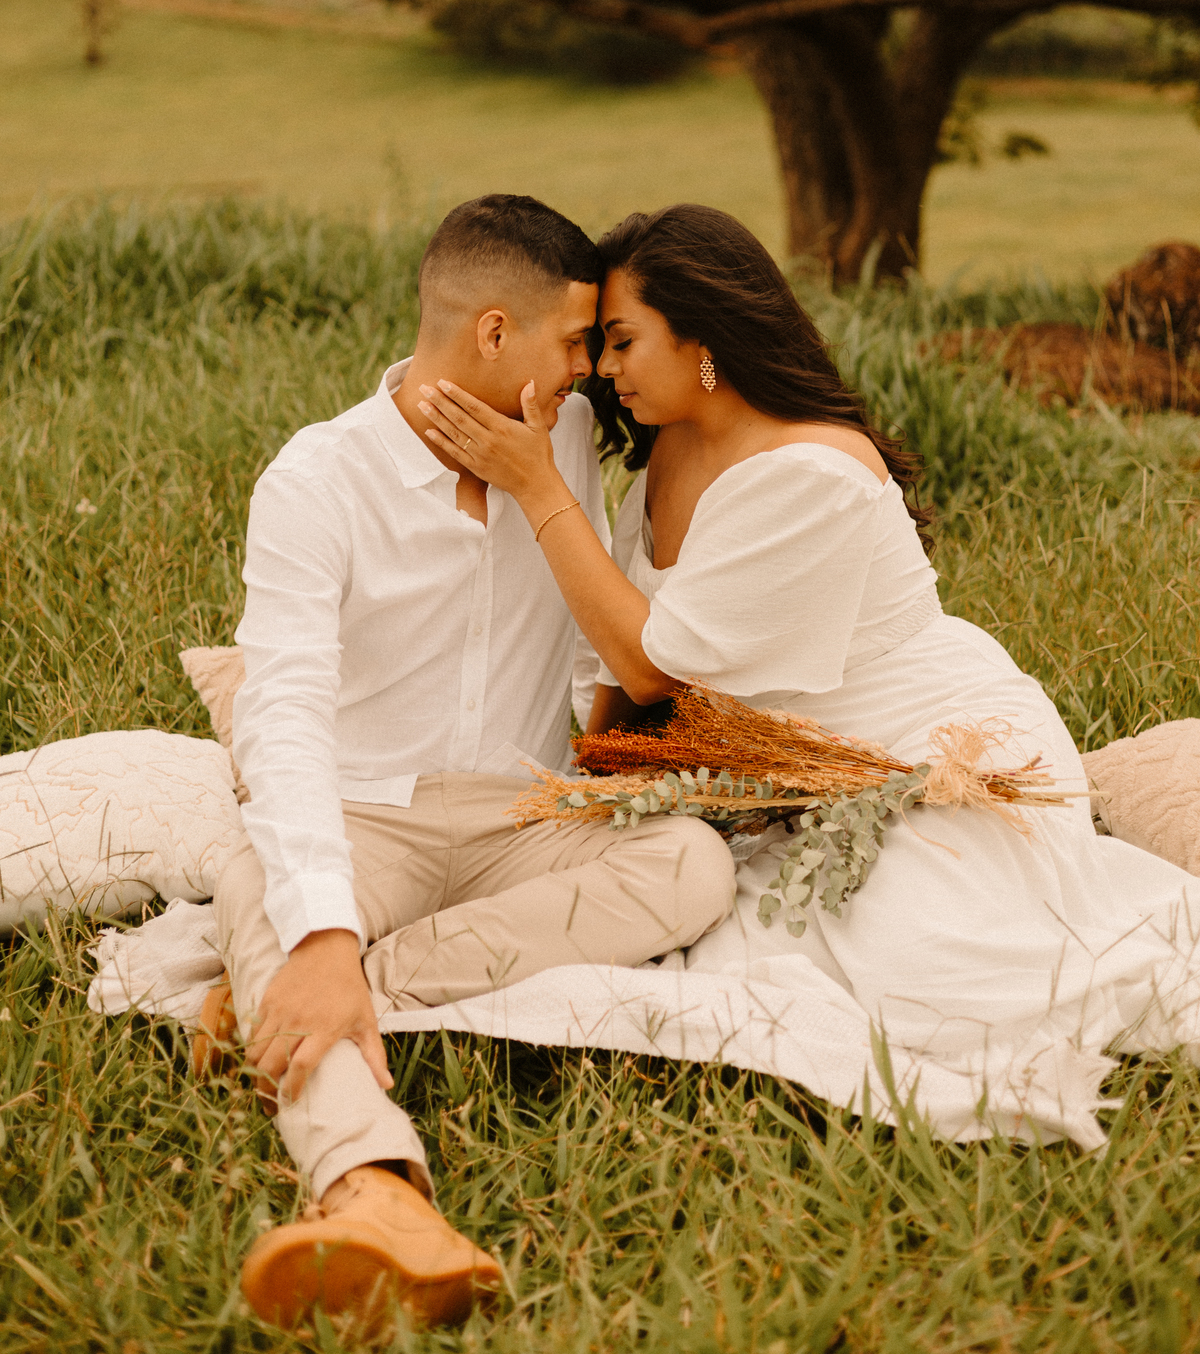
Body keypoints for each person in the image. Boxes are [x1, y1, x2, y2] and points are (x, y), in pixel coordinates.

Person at [416, 202, 1200, 1128]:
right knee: (677, 896)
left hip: (921, 748)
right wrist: (591, 791)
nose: (604, 368)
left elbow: (656, 665)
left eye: (622, 341)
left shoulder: (811, 472)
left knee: (909, 959)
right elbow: (622, 674)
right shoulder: (668, 453)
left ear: (703, 337)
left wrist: (538, 485)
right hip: (781, 767)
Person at [216, 195, 736, 1333]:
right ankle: (372, 1188)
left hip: (521, 816)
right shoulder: (317, 479)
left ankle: (337, 991)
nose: (590, 371)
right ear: (494, 334)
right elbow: (283, 710)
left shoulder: (560, 439)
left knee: (693, 863)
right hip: (371, 815)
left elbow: (603, 640)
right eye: (575, 342)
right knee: (256, 878)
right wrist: (323, 923)